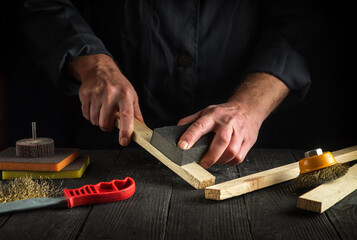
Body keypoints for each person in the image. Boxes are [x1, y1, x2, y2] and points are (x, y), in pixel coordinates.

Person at [18, 0, 323, 168]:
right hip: (109, 145)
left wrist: (249, 107)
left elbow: (300, 18)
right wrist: (92, 63)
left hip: (249, 153)